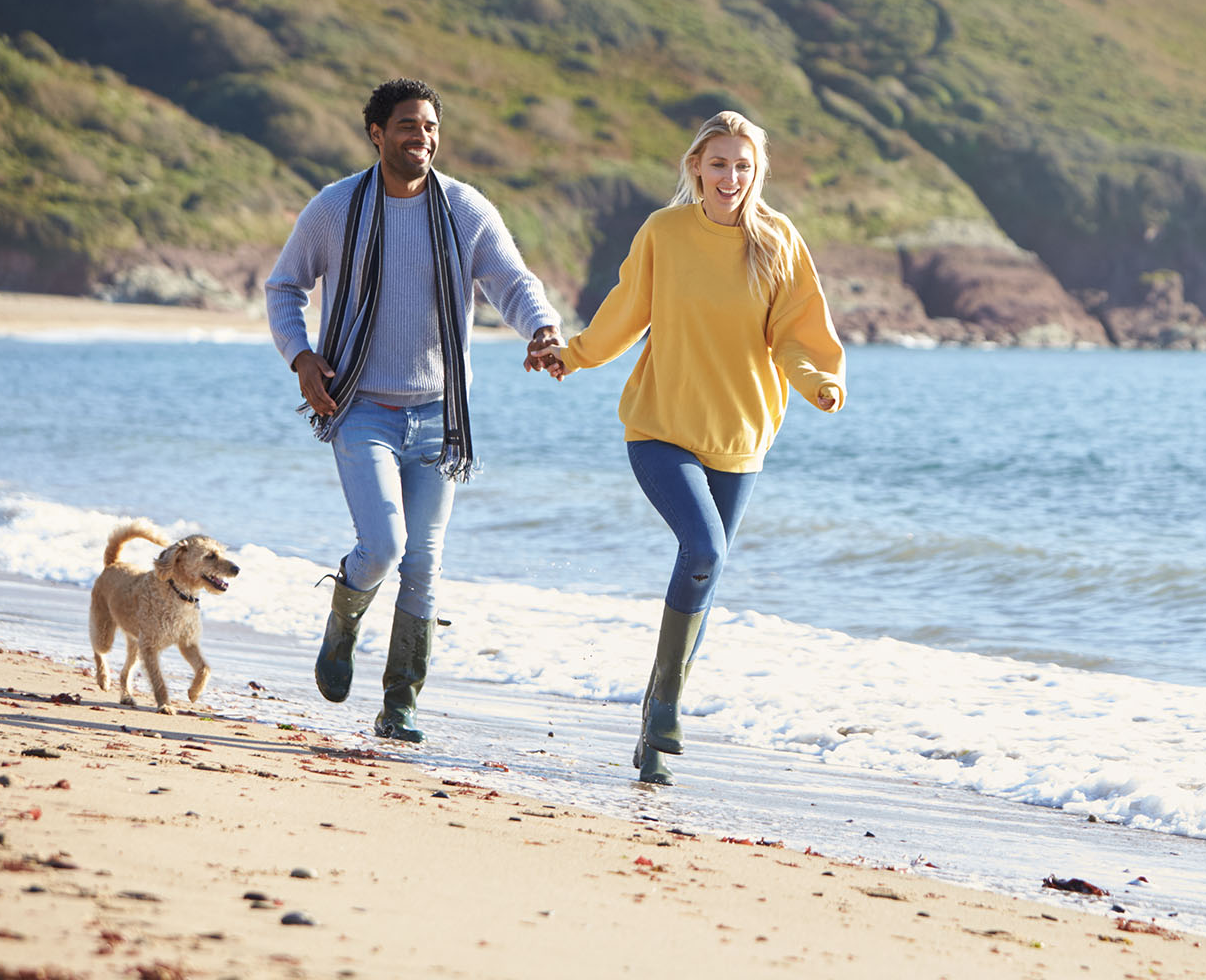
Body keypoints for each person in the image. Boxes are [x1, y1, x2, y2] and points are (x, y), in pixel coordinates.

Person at [534, 110, 845, 785]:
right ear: (696, 167)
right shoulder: (666, 232)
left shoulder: (779, 241)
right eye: (719, 163)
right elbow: (626, 310)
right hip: (661, 426)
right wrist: (574, 355)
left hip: (740, 436)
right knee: (704, 550)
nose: (731, 177)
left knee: (705, 572)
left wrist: (819, 381)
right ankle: (666, 706)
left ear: (758, 172)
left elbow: (796, 333)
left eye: (743, 165)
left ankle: (652, 732)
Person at [265, 77, 565, 743]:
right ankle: (343, 622)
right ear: (377, 134)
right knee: (383, 548)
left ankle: (400, 703)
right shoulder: (336, 207)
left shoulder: (464, 208)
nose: (421, 137)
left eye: (429, 126)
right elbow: (284, 286)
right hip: (360, 407)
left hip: (438, 417)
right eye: (407, 125)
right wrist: (301, 356)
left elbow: (512, 281)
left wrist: (542, 329)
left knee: (424, 564)